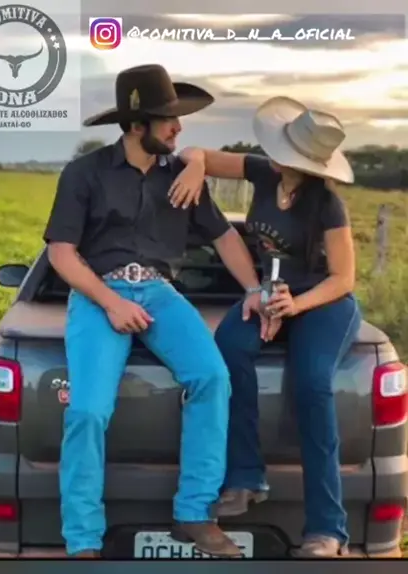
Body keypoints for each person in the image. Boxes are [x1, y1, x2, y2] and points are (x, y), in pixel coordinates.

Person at [42, 64, 267, 559]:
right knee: (87, 410)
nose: (178, 128)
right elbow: (61, 253)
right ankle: (83, 539)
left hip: (162, 294)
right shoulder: (85, 173)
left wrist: (254, 288)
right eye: (168, 119)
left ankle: (195, 513)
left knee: (212, 377)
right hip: (99, 294)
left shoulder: (180, 176)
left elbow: (224, 236)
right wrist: (112, 302)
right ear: (136, 124)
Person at [167, 96, 362, 558]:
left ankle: (327, 530)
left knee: (312, 385)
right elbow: (195, 152)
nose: (274, 153)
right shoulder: (261, 171)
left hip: (322, 302)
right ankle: (246, 477)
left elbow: (343, 278)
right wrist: (196, 167)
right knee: (230, 344)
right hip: (271, 294)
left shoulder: (327, 206)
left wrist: (294, 306)